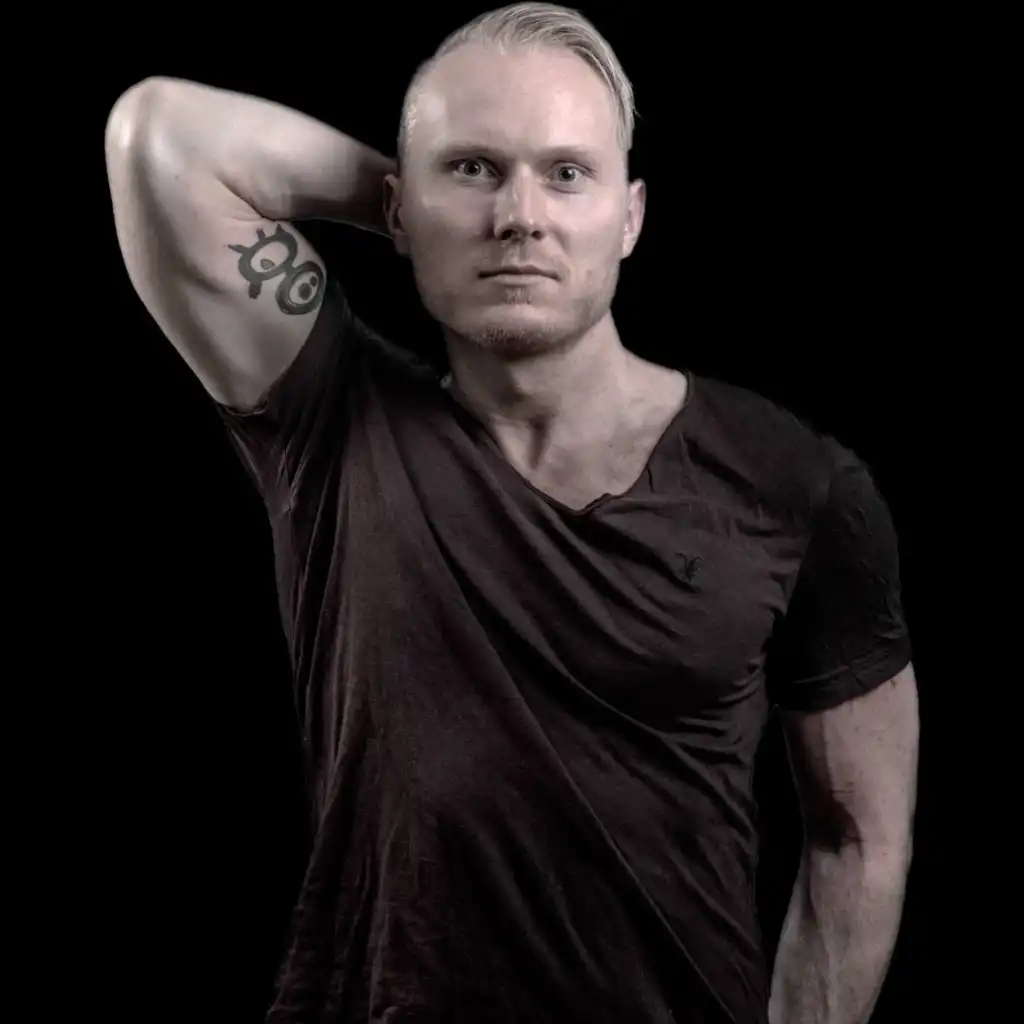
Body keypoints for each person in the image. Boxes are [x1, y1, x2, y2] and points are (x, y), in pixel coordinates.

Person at [104, 4, 920, 1022]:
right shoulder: (336, 423)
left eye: (566, 174)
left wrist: (442, 198)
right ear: (400, 209)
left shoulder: (795, 483)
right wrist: (418, 205)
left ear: (630, 217)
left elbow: (857, 838)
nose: (520, 216)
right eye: (474, 169)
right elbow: (158, 136)